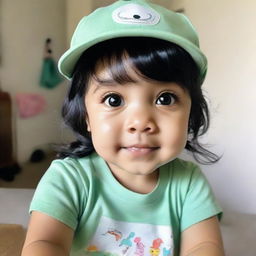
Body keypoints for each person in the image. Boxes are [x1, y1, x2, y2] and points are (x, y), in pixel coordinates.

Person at [22, 0, 225, 255]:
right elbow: (44, 243)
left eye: (165, 98)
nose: (140, 122)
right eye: (113, 100)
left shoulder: (189, 184)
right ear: (86, 115)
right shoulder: (69, 179)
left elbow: (204, 246)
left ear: (191, 112)